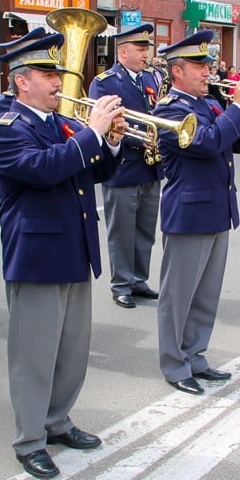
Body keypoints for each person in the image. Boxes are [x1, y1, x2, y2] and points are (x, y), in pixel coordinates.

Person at [0, 30, 125, 479]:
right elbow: (45, 169)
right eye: (49, 74)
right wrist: (93, 134)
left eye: (58, 73)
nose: (59, 83)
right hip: (38, 255)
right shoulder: (8, 130)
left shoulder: (56, 123)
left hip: (73, 247)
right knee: (34, 354)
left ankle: (58, 421)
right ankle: (29, 440)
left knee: (71, 350)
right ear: (22, 81)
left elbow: (92, 168)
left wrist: (113, 141)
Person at [152, 30, 240, 394]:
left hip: (217, 210)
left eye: (208, 64)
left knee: (205, 294)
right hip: (189, 214)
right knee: (179, 295)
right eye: (199, 66)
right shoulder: (171, 109)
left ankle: (195, 355)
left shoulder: (210, 104)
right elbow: (208, 142)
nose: (207, 71)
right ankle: (174, 364)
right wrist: (239, 109)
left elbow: (239, 142)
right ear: (178, 71)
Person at [89, 24, 163, 309]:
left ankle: (138, 280)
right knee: (121, 231)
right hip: (123, 167)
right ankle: (121, 284)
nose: (146, 54)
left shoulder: (152, 79)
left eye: (146, 49)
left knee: (145, 229)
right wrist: (138, 141)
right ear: (123, 51)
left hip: (150, 166)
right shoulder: (105, 82)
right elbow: (105, 124)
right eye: (141, 49)